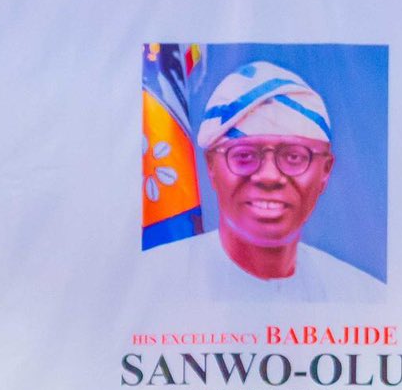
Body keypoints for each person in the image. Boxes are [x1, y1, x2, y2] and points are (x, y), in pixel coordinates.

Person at [140, 59, 383, 301]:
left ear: (325, 171)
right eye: (244, 155)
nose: (269, 176)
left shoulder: (365, 298)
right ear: (211, 166)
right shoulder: (152, 289)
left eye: (294, 156)